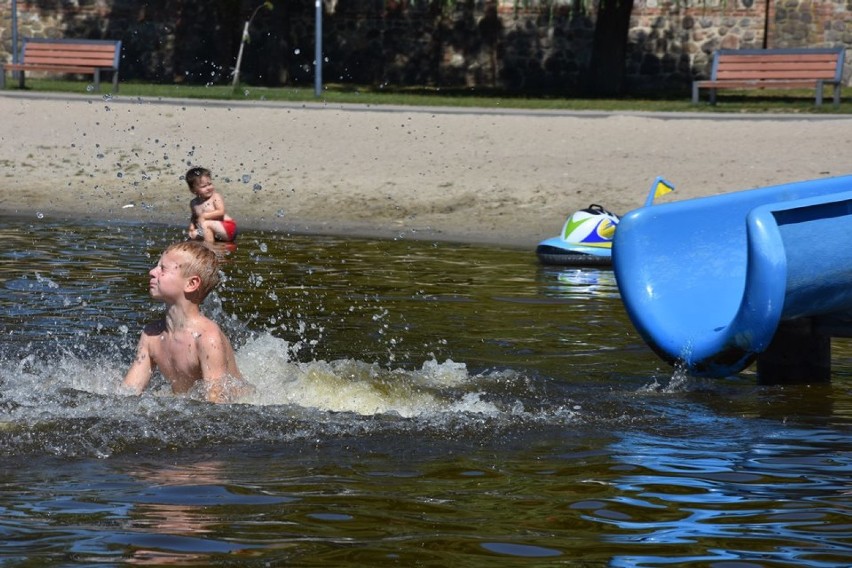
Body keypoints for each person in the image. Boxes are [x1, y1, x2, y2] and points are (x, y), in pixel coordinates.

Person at [122, 241, 251, 403]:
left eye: (163, 269)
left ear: (191, 284)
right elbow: (126, 395)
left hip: (242, 405)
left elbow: (217, 406)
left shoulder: (207, 338)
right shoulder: (151, 335)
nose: (152, 272)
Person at [186, 166, 238, 243]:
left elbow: (221, 211)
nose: (208, 188)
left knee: (206, 224)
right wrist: (192, 227)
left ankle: (210, 248)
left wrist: (204, 216)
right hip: (213, 230)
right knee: (193, 235)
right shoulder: (193, 203)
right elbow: (194, 217)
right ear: (193, 190)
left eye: (209, 184)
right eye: (204, 186)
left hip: (228, 228)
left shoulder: (215, 197)